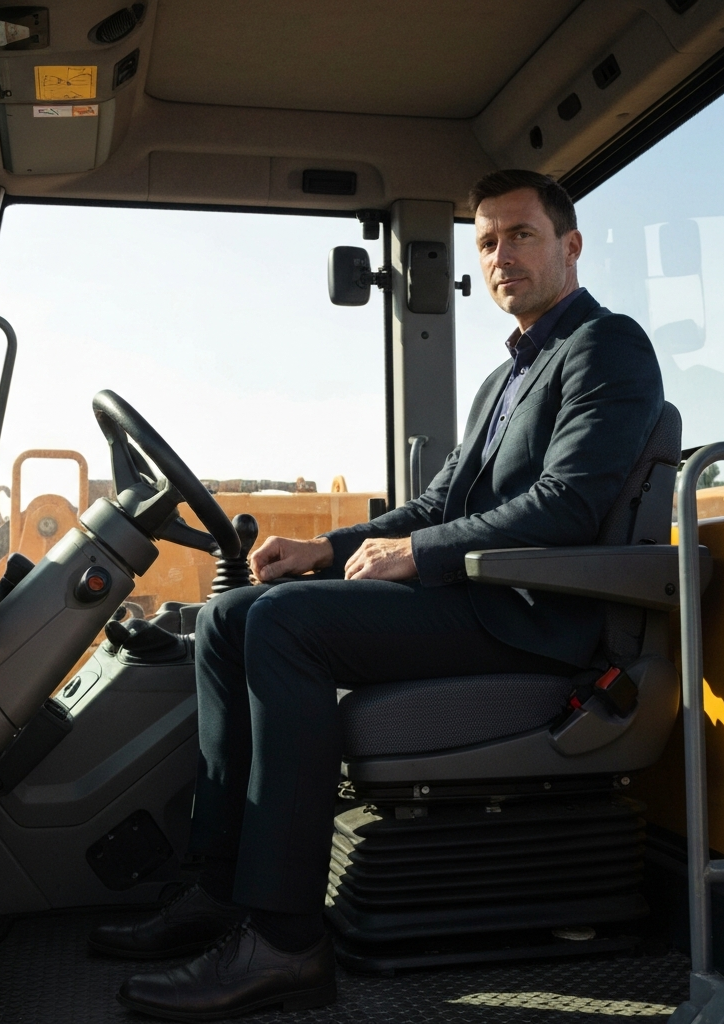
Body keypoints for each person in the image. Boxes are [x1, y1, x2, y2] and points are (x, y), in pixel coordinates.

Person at [95, 169, 664, 1020]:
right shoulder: (509, 373)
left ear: (569, 245)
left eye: (521, 235)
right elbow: (441, 503)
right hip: (476, 595)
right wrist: (330, 549)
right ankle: (219, 886)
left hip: (531, 616)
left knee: (285, 629)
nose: (502, 256)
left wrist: (417, 555)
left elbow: (569, 504)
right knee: (227, 618)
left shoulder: (606, 347)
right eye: (488, 243)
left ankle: (285, 942)